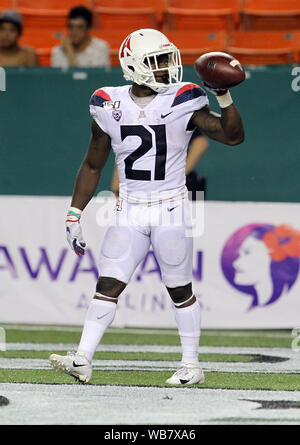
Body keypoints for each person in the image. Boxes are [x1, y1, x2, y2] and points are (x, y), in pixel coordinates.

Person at [50, 28, 244, 384]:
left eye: (168, 58)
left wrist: (224, 97)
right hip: (129, 207)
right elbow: (93, 163)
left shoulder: (184, 98)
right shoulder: (108, 102)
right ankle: (82, 358)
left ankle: (191, 364)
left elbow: (232, 136)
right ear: (134, 65)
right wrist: (75, 212)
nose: (167, 67)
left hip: (170, 206)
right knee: (108, 284)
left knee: (179, 288)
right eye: (157, 62)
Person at [111, 127, 209, 197]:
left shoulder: (174, 110)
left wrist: (177, 176)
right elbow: (125, 154)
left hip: (169, 189)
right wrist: (117, 190)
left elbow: (201, 143)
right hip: (140, 187)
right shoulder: (130, 114)